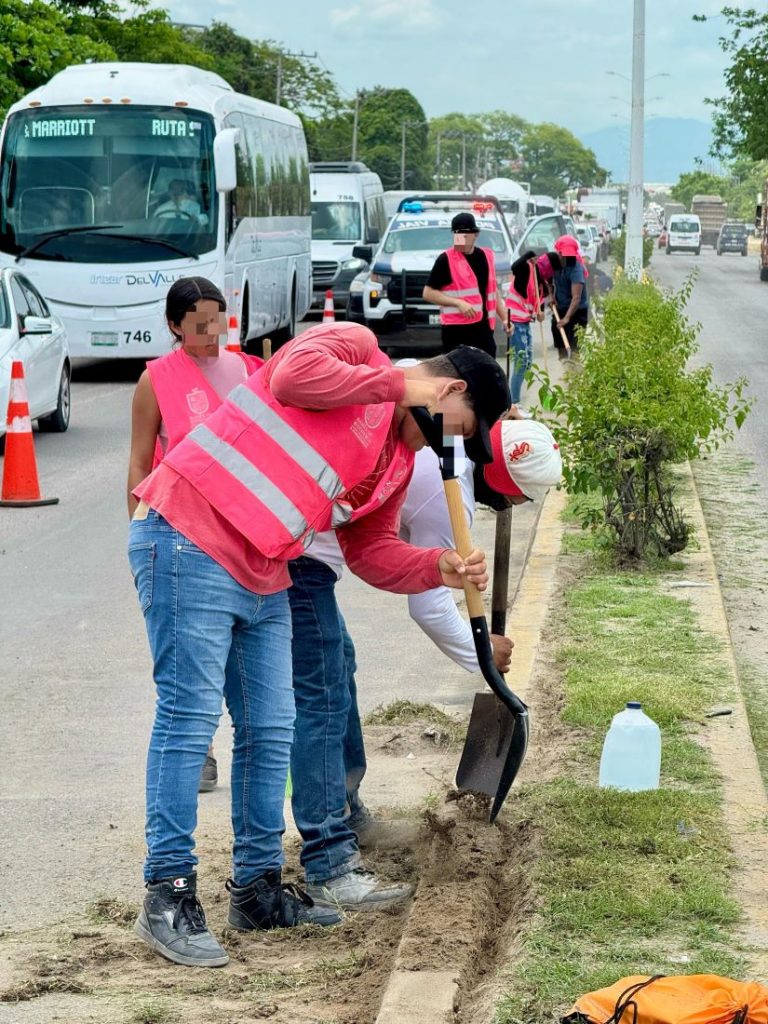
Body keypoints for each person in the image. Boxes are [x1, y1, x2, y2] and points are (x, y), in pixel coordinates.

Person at [127, 319, 510, 967]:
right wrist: (401, 385)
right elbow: (290, 376)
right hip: (189, 536)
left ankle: (256, 889)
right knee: (189, 719)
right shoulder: (357, 347)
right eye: (460, 427)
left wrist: (437, 566)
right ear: (447, 391)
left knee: (272, 727)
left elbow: (370, 552)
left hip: (265, 568)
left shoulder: (396, 462)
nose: (448, 445)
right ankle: (168, 894)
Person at [286, 413, 562, 908]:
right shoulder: (448, 496)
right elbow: (429, 604)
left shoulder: (455, 439)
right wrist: (481, 653)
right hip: (299, 548)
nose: (516, 507)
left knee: (338, 663)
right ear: (504, 486)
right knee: (323, 690)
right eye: (519, 498)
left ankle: (346, 812)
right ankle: (329, 858)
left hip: (311, 542)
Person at [127, 278, 262, 796]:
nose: (211, 331)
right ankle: (199, 748)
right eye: (198, 323)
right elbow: (140, 463)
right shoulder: (156, 380)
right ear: (174, 325)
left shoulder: (250, 371)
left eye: (217, 319)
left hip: (248, 536)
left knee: (240, 658)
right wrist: (139, 537)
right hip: (183, 536)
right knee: (188, 658)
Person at [423, 212, 508, 358]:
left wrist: (505, 318)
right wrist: (458, 303)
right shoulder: (446, 259)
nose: (460, 239)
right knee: (460, 371)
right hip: (456, 332)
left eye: (464, 234)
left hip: (483, 331)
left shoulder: (486, 257)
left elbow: (492, 291)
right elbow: (428, 293)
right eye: (457, 234)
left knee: (487, 370)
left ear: (475, 234)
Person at [504, 250, 545, 405]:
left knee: (527, 363)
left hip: (525, 323)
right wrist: (529, 255)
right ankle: (514, 402)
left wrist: (539, 313)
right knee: (521, 363)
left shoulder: (539, 282)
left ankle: (514, 398)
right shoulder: (525, 270)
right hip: (515, 323)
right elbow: (514, 266)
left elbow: (537, 304)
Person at [549, 235, 590, 359]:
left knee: (575, 348)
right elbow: (549, 282)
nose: (563, 256)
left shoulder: (576, 268)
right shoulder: (555, 265)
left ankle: (575, 368)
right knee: (560, 343)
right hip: (560, 309)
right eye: (561, 253)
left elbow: (576, 297)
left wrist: (567, 318)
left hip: (577, 312)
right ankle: (563, 366)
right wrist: (551, 296)